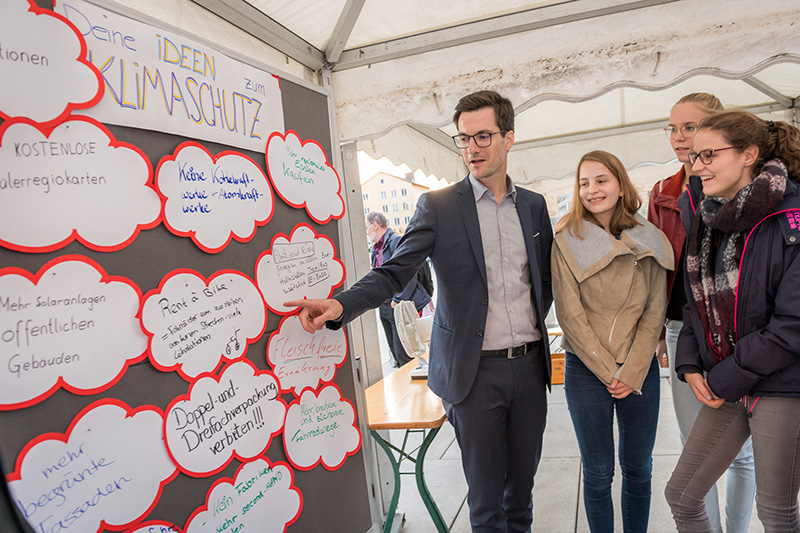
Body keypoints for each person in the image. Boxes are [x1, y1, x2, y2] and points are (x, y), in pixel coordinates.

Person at [287, 90, 553, 532]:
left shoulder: (534, 206)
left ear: (509, 138)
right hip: (474, 377)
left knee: (520, 499)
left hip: (528, 370)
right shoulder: (440, 206)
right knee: (487, 508)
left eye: (483, 136)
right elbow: (393, 273)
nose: (471, 148)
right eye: (463, 138)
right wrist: (339, 305)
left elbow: (541, 282)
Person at [665, 111, 800, 531]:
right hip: (728, 379)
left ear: (749, 155)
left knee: (776, 512)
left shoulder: (790, 217)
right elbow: (693, 304)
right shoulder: (708, 217)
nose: (697, 164)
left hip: (781, 384)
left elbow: (792, 325)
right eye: (694, 156)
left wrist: (726, 377)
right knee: (683, 495)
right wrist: (688, 363)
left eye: (708, 154)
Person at [648, 93, 755, 533]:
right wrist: (657, 331)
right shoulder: (664, 192)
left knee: (743, 454)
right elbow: (657, 270)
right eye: (672, 128)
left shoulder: (748, 189)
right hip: (683, 329)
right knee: (697, 448)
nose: (679, 138)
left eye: (689, 128)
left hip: (739, 335)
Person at [552, 150, 673, 532]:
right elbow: (569, 315)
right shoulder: (565, 239)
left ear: (620, 185)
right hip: (587, 371)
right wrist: (608, 372)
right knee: (598, 471)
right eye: (584, 183)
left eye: (601, 180)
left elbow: (655, 310)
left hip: (640, 369)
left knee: (639, 468)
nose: (592, 190)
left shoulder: (650, 238)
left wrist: (632, 370)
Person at [365, 211, 432, 367]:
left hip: (400, 305)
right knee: (396, 355)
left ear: (375, 225)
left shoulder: (396, 241)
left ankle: (415, 390)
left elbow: (410, 274)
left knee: (406, 355)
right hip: (385, 307)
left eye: (366, 227)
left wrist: (398, 300)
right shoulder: (376, 250)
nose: (366, 232)